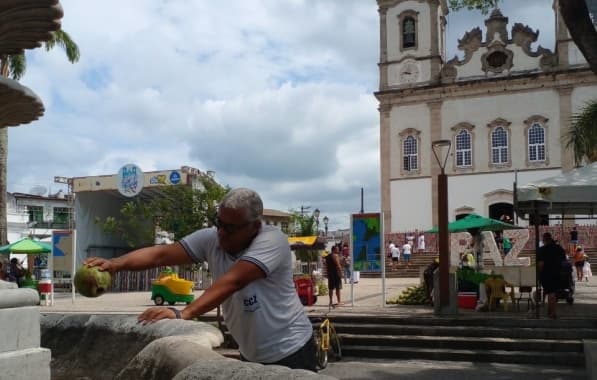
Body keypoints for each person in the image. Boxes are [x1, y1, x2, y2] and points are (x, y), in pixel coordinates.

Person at [84, 188, 316, 371]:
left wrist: (183, 314)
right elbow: (160, 254)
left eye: (230, 228)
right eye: (219, 223)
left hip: (292, 349)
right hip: (251, 353)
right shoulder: (212, 239)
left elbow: (233, 281)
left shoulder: (272, 240)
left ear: (255, 226)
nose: (221, 232)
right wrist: (116, 265)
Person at [537, 232, 567, 319]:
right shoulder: (559, 248)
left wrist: (538, 275)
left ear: (544, 240)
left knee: (550, 293)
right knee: (552, 293)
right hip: (557, 273)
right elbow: (564, 261)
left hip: (546, 274)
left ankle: (553, 313)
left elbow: (540, 264)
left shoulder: (542, 250)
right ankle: (550, 311)